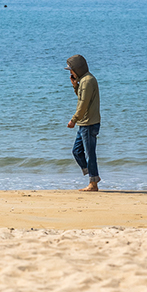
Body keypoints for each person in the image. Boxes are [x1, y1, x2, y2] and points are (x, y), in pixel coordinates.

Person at [65, 54, 101, 191]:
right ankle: (93, 176)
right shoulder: (84, 81)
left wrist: (73, 119)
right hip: (85, 123)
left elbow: (83, 104)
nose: (71, 73)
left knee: (90, 154)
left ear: (78, 69)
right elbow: (82, 98)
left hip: (89, 124)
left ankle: (93, 183)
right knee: (76, 151)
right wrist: (75, 86)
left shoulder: (87, 81)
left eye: (71, 70)